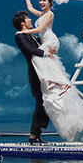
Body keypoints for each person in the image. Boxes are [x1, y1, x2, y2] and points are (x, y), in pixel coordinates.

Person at [17, 0, 83, 141]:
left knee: (39, 57)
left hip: (50, 40)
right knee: (42, 60)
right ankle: (55, 82)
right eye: (40, 0)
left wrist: (22, 32)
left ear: (50, 3)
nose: (41, 3)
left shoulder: (49, 15)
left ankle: (55, 81)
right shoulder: (41, 15)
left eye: (44, 1)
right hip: (45, 42)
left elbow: (38, 30)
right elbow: (30, 9)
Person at [13, 10, 52, 145]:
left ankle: (38, 134)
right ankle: (33, 136)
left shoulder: (33, 37)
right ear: (22, 23)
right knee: (40, 103)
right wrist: (46, 54)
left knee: (47, 102)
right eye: (28, 19)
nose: (30, 21)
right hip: (35, 74)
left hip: (44, 71)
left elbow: (42, 44)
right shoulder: (20, 36)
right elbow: (31, 50)